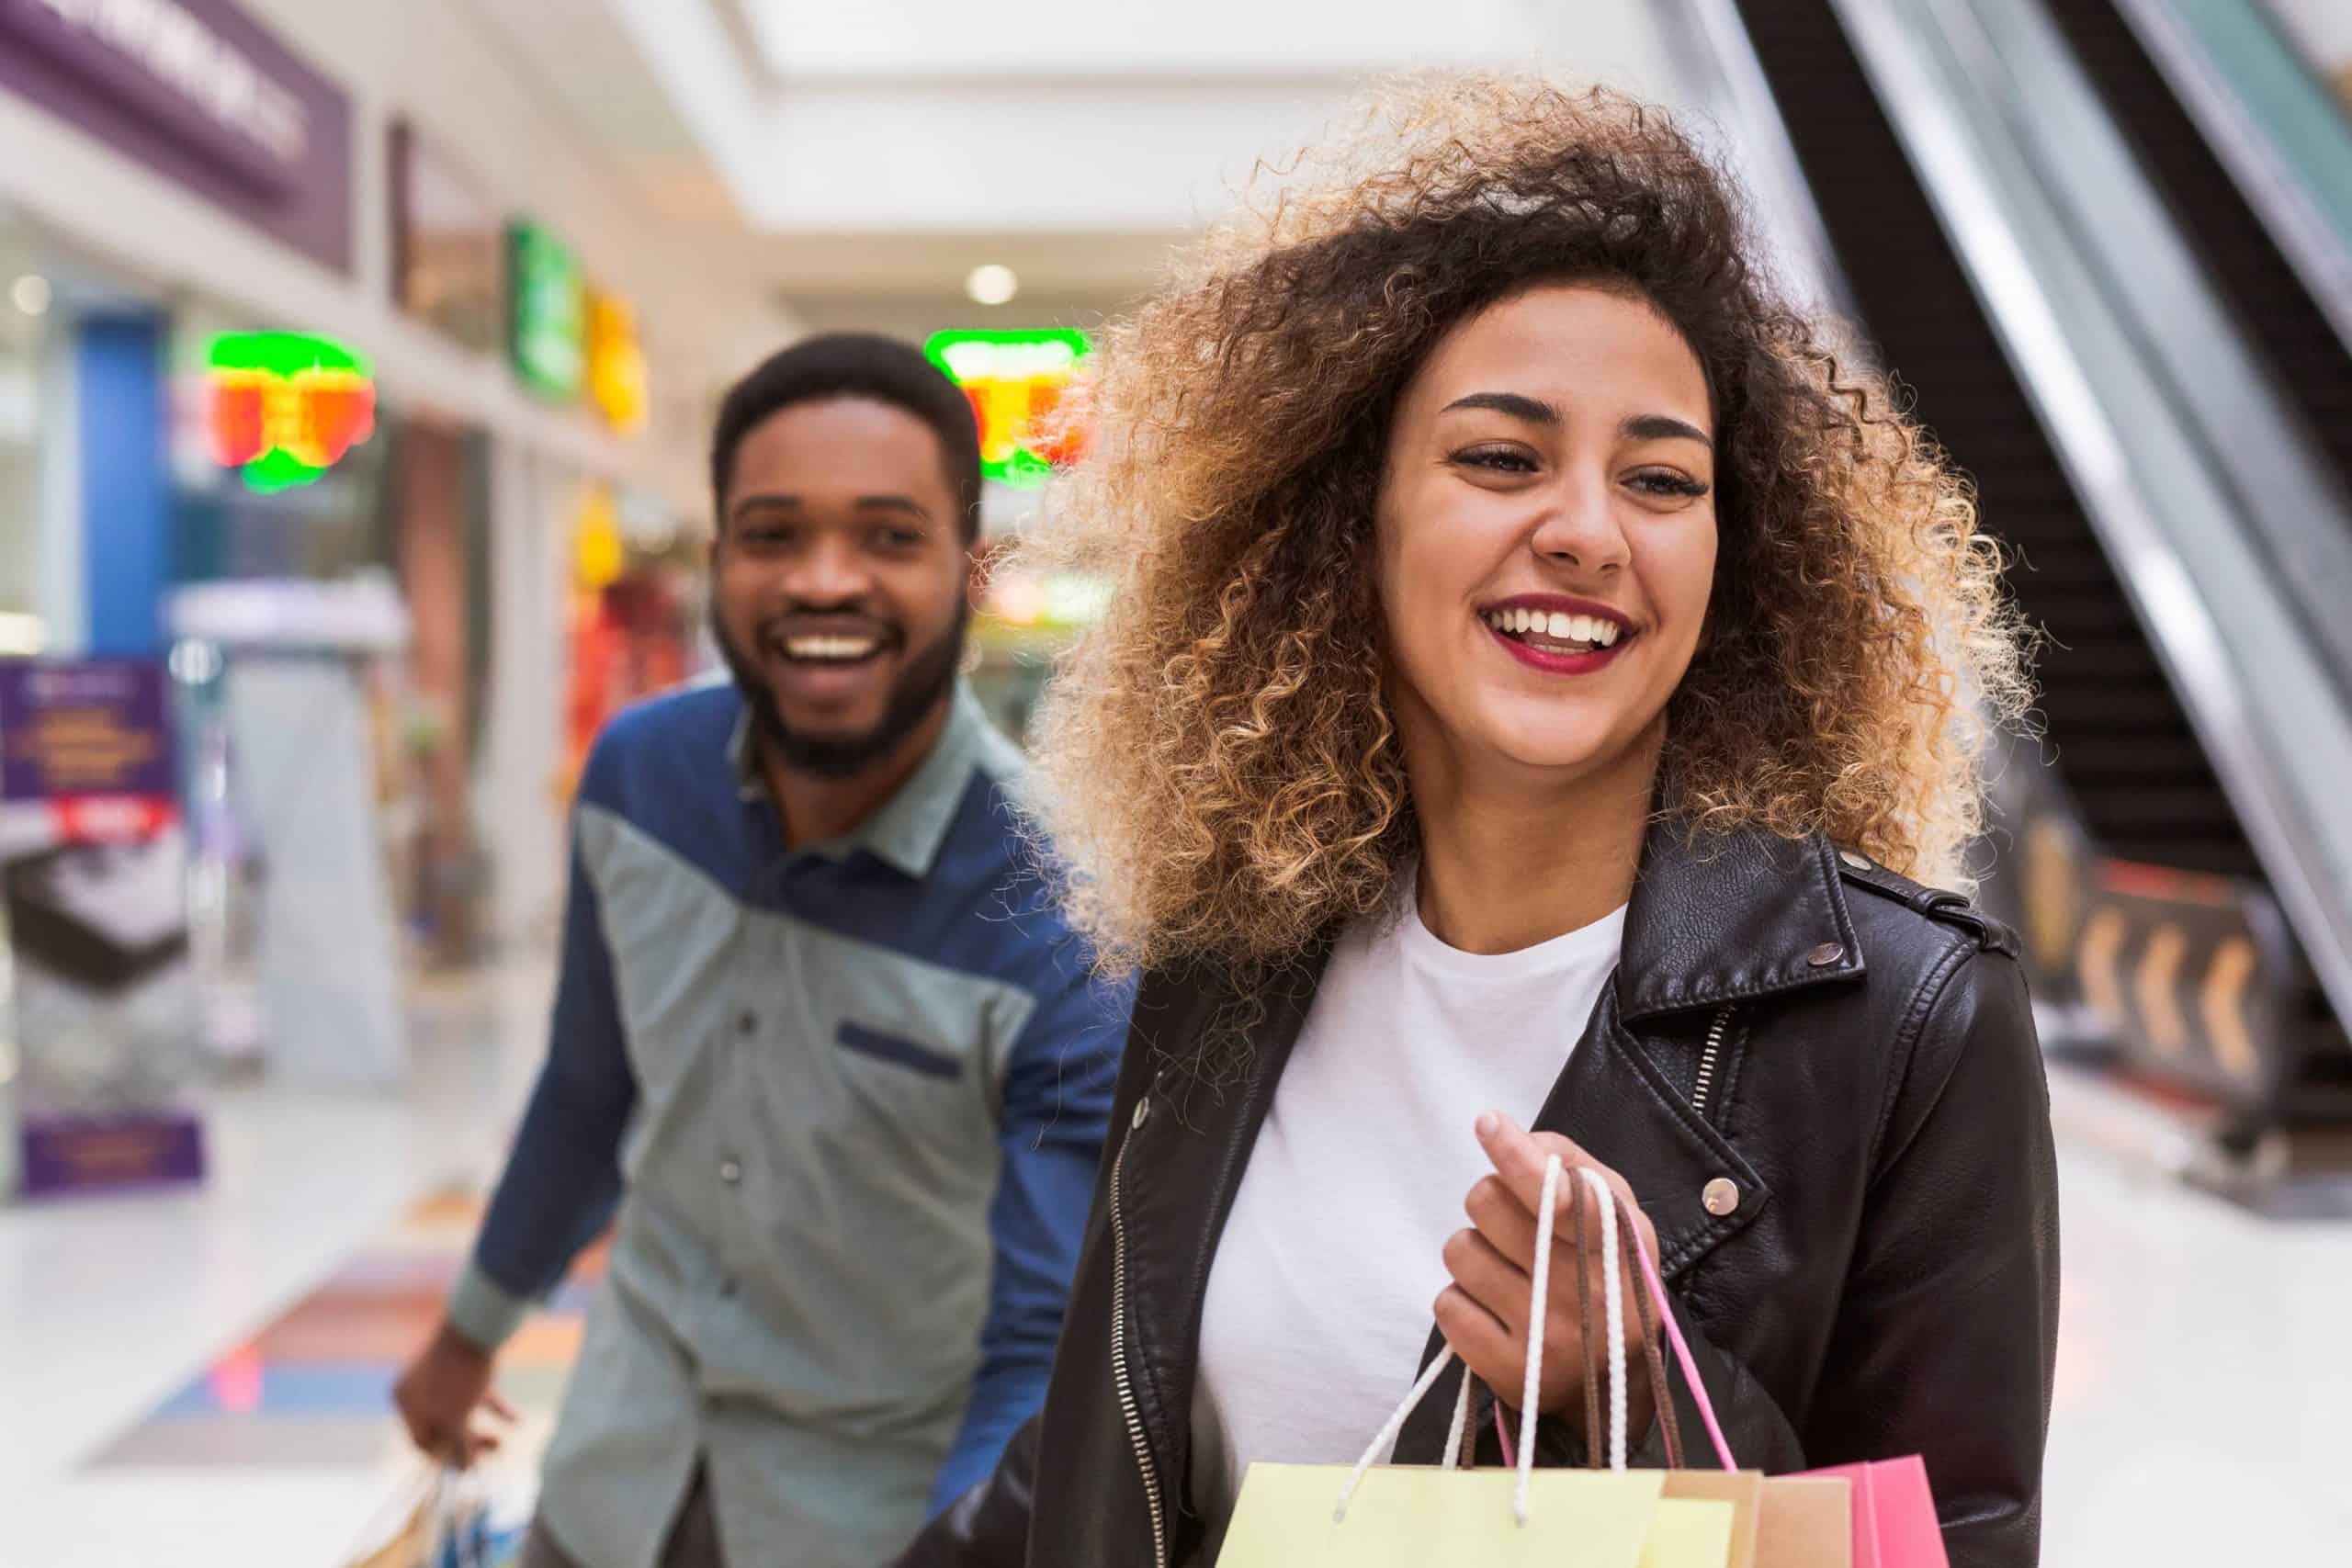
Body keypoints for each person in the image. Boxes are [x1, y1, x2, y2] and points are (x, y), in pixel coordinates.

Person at [900, 80, 2057, 1568]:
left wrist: (1639, 1401)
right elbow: (1096, 1465)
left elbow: (1958, 1544)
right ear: (1348, 525)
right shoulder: (1232, 957)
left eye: (1660, 479)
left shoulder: (1909, 1020)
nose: (1586, 528)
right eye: (1502, 458)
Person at [393, 333, 1130, 1568]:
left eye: (890, 536)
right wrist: (469, 1332)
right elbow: (590, 1093)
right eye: (775, 534)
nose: (824, 580)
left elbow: (1041, 1337)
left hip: (870, 1521)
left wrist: (957, 1552)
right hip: (609, 1482)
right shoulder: (637, 778)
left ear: (972, 571)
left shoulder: (1056, 912)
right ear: (722, 558)